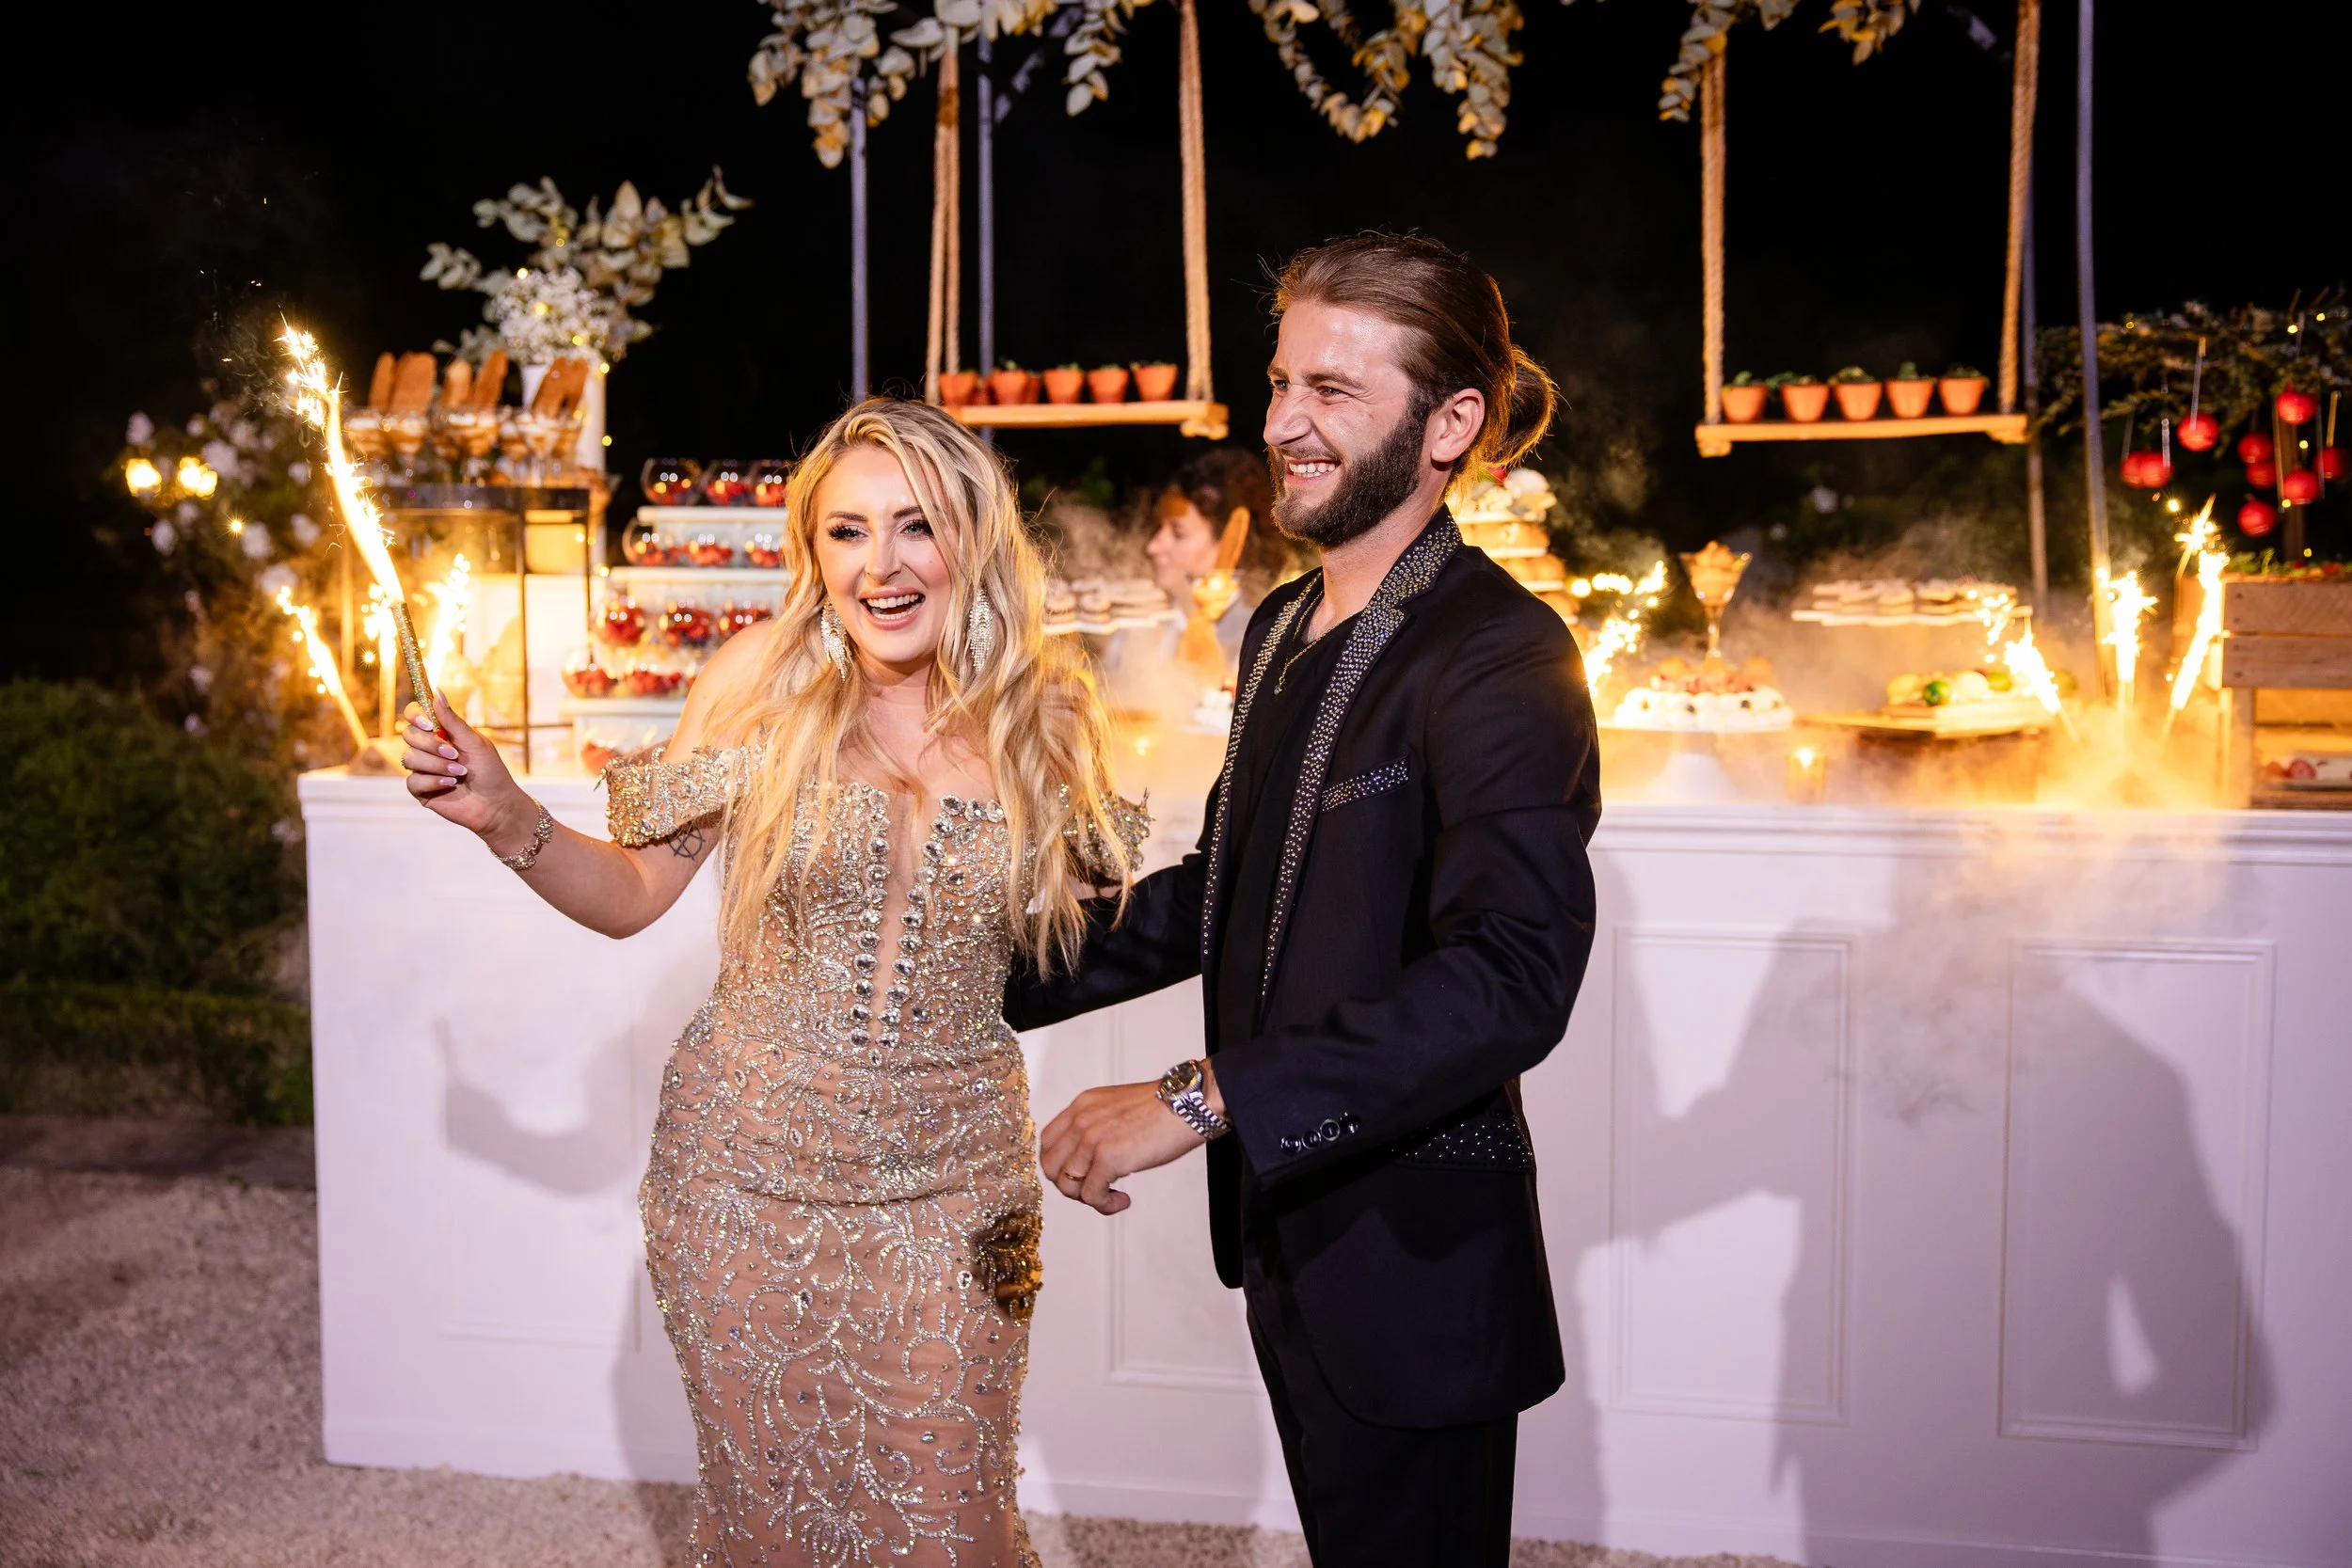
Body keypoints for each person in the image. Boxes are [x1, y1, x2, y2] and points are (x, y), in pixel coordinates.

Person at [400, 399, 1145, 1568]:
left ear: (976, 536)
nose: (881, 566)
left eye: (916, 526)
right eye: (846, 532)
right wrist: (505, 816)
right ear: (813, 550)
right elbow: (636, 892)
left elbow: (1110, 931)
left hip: (960, 1186)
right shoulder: (759, 679)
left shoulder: (1046, 713)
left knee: (957, 1523)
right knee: (771, 1527)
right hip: (741, 1180)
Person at [1006, 232, 1601, 1566]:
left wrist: (1194, 1097)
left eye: (1333, 390)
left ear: (1452, 423)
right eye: (1281, 383)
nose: (1282, 424)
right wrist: (981, 960)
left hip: (1415, 1253)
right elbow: (1219, 896)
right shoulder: (1279, 624)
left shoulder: (1503, 649)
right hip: (1285, 1217)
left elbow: (1511, 975)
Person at [1143, 446, 1299, 671]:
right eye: (1159, 527)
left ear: (1231, 541)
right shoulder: (1148, 611)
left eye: (1178, 533)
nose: (1153, 546)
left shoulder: (1265, 627)